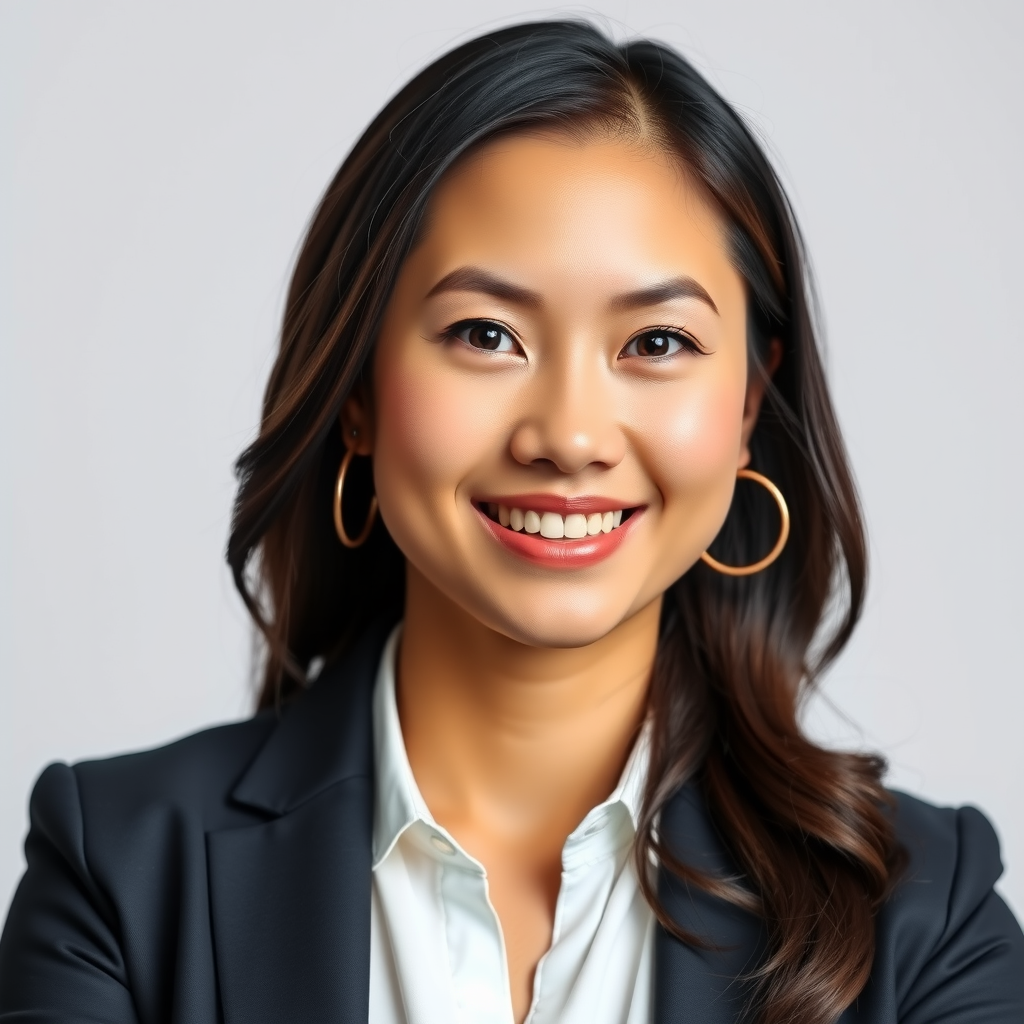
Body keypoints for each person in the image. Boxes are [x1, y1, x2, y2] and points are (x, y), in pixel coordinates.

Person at [1, 19, 1021, 1024]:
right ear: (357, 390)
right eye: (485, 334)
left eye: (657, 341)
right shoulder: (120, 879)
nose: (569, 435)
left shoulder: (924, 920)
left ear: (750, 402)